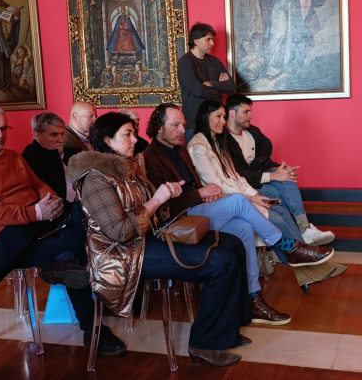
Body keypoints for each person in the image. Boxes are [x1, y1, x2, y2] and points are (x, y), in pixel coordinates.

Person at [67, 112, 252, 367]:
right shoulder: (94, 178)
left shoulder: (128, 167)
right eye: (127, 134)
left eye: (134, 133)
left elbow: (153, 212)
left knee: (233, 244)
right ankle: (205, 345)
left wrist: (170, 195)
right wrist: (157, 199)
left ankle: (227, 328)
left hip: (146, 240)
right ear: (108, 140)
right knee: (221, 262)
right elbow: (119, 232)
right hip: (122, 255)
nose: (135, 140)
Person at [0, 104, 126, 357]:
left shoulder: (12, 156)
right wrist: (36, 213)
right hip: (5, 242)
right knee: (72, 253)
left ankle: (67, 266)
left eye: (3, 128)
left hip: (38, 226)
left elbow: (38, 184)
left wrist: (51, 201)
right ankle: (92, 328)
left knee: (83, 213)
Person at [143, 103, 328, 324]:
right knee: (239, 201)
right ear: (159, 127)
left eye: (183, 124)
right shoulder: (151, 157)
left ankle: (253, 298)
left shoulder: (181, 150)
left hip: (198, 209)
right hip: (179, 219)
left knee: (244, 227)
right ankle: (288, 246)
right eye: (175, 125)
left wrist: (205, 194)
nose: (182, 130)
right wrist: (200, 194)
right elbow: (164, 209)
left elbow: (203, 184)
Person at [187, 100, 334, 267]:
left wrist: (255, 194)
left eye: (224, 117)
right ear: (205, 117)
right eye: (218, 116)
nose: (223, 121)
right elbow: (217, 184)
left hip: (242, 194)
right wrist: (252, 197)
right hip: (225, 201)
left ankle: (304, 251)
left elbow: (237, 177)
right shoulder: (198, 147)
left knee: (281, 209)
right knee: (276, 218)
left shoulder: (220, 143)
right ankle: (300, 256)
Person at [224, 94, 334, 245]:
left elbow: (262, 160)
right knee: (277, 193)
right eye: (246, 112)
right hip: (243, 186)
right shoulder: (224, 140)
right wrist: (274, 176)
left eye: (250, 111)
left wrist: (279, 169)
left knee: (287, 177)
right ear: (232, 113)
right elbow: (239, 174)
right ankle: (301, 237)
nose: (251, 116)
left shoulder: (252, 132)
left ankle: (304, 230)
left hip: (258, 177)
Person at [177, 23, 235, 144]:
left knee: (219, 156)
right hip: (195, 124)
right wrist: (220, 89)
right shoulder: (185, 62)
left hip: (217, 124)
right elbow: (198, 90)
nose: (212, 43)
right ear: (196, 41)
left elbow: (231, 87)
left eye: (212, 39)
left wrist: (211, 84)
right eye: (208, 39)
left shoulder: (215, 62)